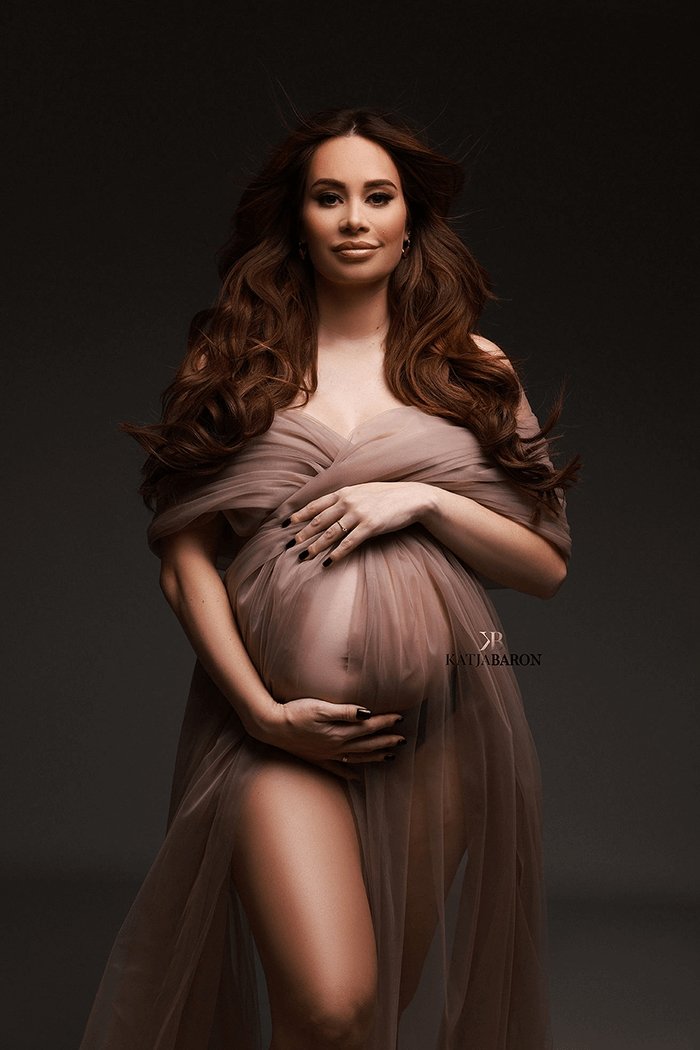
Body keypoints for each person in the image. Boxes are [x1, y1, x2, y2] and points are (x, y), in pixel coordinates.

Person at [79, 106, 579, 1050]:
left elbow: (545, 568)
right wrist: (262, 713)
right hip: (277, 737)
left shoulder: (470, 369)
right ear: (296, 221)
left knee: (370, 1017)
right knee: (331, 1001)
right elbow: (184, 563)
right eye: (329, 196)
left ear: (408, 220)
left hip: (443, 734)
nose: (355, 217)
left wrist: (420, 501)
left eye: (377, 196)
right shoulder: (236, 365)